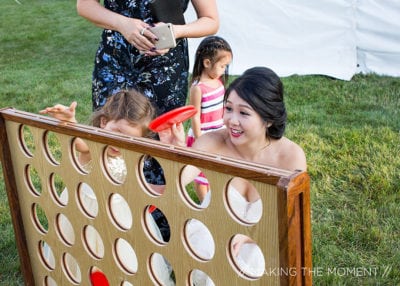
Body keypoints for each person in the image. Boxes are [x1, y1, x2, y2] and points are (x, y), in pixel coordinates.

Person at [174, 66, 307, 282]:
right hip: (211, 234)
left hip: (265, 238)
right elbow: (178, 180)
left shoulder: (290, 157)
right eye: (228, 109)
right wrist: (175, 152)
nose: (232, 120)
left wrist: (249, 237)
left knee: (256, 258)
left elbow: (293, 220)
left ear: (269, 119)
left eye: (244, 113)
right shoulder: (213, 141)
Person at [39, 89, 176, 285]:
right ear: (104, 122)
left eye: (129, 139)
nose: (119, 143)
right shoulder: (93, 147)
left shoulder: (130, 156)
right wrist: (71, 123)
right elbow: (79, 143)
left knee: (124, 258)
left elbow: (135, 184)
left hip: (120, 215)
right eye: (117, 132)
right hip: (83, 210)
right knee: (79, 257)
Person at [76, 0, 220, 115]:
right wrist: (121, 23)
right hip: (115, 61)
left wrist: (176, 31)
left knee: (161, 138)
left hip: (166, 67)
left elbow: (210, 20)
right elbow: (85, 5)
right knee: (109, 131)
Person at [186, 35, 232, 204]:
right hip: (204, 135)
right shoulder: (198, 88)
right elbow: (195, 116)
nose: (224, 69)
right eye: (222, 66)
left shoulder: (218, 82)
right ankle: (204, 202)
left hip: (218, 133)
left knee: (214, 170)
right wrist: (201, 140)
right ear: (207, 63)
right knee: (201, 173)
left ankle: (213, 199)